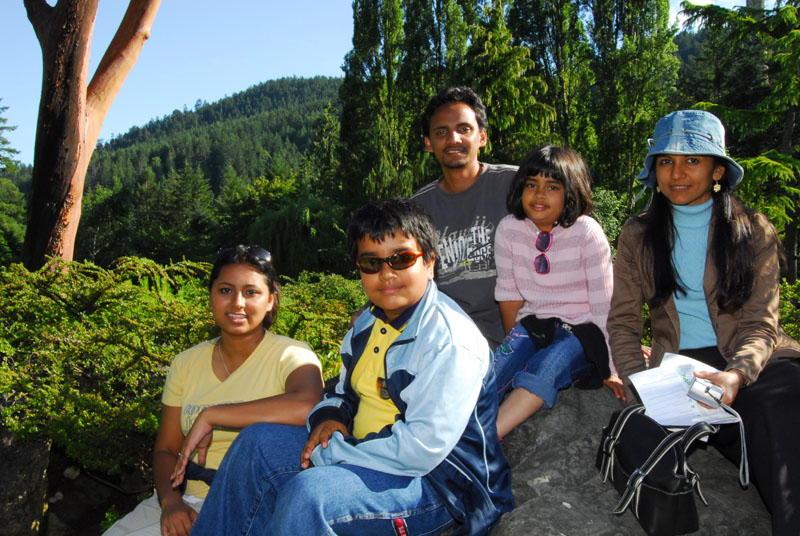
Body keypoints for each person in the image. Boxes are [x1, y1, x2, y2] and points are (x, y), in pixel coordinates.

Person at [192, 198, 513, 535]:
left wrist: (334, 453)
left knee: (310, 495)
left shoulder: (450, 341)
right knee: (256, 443)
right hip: (363, 453)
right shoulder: (366, 325)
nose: (386, 274)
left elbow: (420, 450)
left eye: (402, 259)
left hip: (440, 486)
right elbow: (341, 393)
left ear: (430, 262)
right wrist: (329, 419)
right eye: (371, 263)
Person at [607, 110, 800, 534]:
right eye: (665, 161)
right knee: (646, 438)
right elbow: (623, 323)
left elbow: (762, 324)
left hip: (750, 363)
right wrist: (639, 384)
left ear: (717, 170)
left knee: (782, 411)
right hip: (679, 372)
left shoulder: (752, 230)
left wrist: (737, 375)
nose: (676, 173)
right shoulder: (638, 234)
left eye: (692, 160)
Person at [103, 245, 323, 536]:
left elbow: (309, 405)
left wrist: (214, 414)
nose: (237, 303)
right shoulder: (186, 363)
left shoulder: (291, 354)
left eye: (251, 292)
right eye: (225, 290)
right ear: (211, 296)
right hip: (184, 497)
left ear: (271, 300)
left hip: (253, 502)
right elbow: (167, 448)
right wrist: (170, 502)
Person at [491, 145, 621, 438]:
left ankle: (489, 438)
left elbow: (604, 305)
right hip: (534, 325)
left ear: (571, 192)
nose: (539, 195)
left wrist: (613, 368)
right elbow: (508, 292)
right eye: (531, 185)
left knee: (548, 366)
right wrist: (515, 345)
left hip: (582, 331)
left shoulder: (586, 232)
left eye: (552, 187)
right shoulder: (509, 229)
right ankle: (458, 431)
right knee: (497, 368)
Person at [412, 86, 518, 348]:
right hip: (448, 344)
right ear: (429, 143)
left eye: (464, 129)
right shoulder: (417, 209)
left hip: (520, 338)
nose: (453, 139)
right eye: (441, 132)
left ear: (482, 136)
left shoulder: (516, 185)